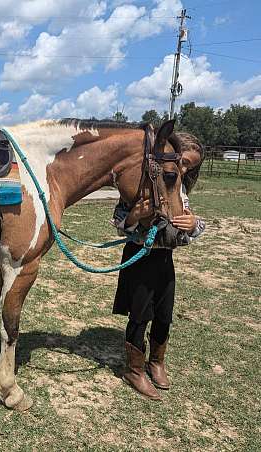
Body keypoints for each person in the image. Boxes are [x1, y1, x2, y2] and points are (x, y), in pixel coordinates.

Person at [113, 133, 205, 401]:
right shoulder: (143, 185)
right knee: (140, 315)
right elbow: (119, 222)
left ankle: (156, 362)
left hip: (165, 259)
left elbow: (190, 225)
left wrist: (194, 225)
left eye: (191, 167)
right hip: (140, 256)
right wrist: (134, 216)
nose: (185, 169)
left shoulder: (180, 190)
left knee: (164, 314)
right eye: (183, 162)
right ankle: (134, 369)